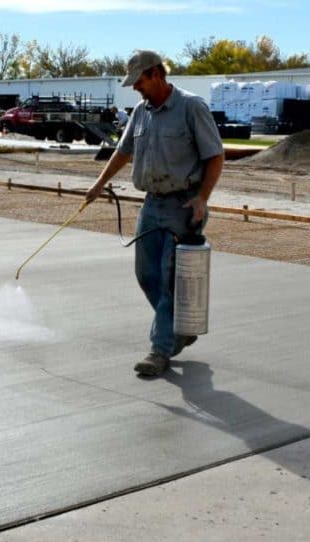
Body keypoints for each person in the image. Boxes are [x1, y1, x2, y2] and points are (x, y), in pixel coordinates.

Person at [84, 50, 224, 377]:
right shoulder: (141, 112)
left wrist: (203, 198)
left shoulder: (191, 108)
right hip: (151, 204)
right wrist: (99, 184)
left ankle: (159, 350)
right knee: (146, 274)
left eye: (140, 81)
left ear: (157, 74)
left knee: (168, 281)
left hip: (183, 205)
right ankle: (179, 329)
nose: (136, 88)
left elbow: (215, 157)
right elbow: (123, 151)